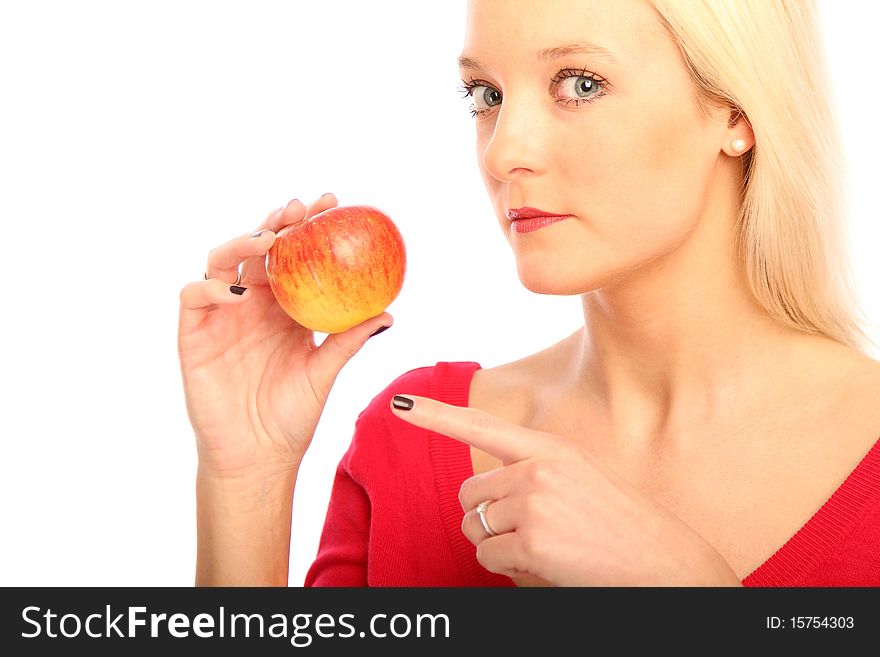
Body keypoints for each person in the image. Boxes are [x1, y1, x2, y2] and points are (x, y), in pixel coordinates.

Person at [177, 0, 880, 587]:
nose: (501, 150)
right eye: (486, 95)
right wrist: (247, 474)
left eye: (579, 83)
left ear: (735, 111)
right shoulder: (410, 444)